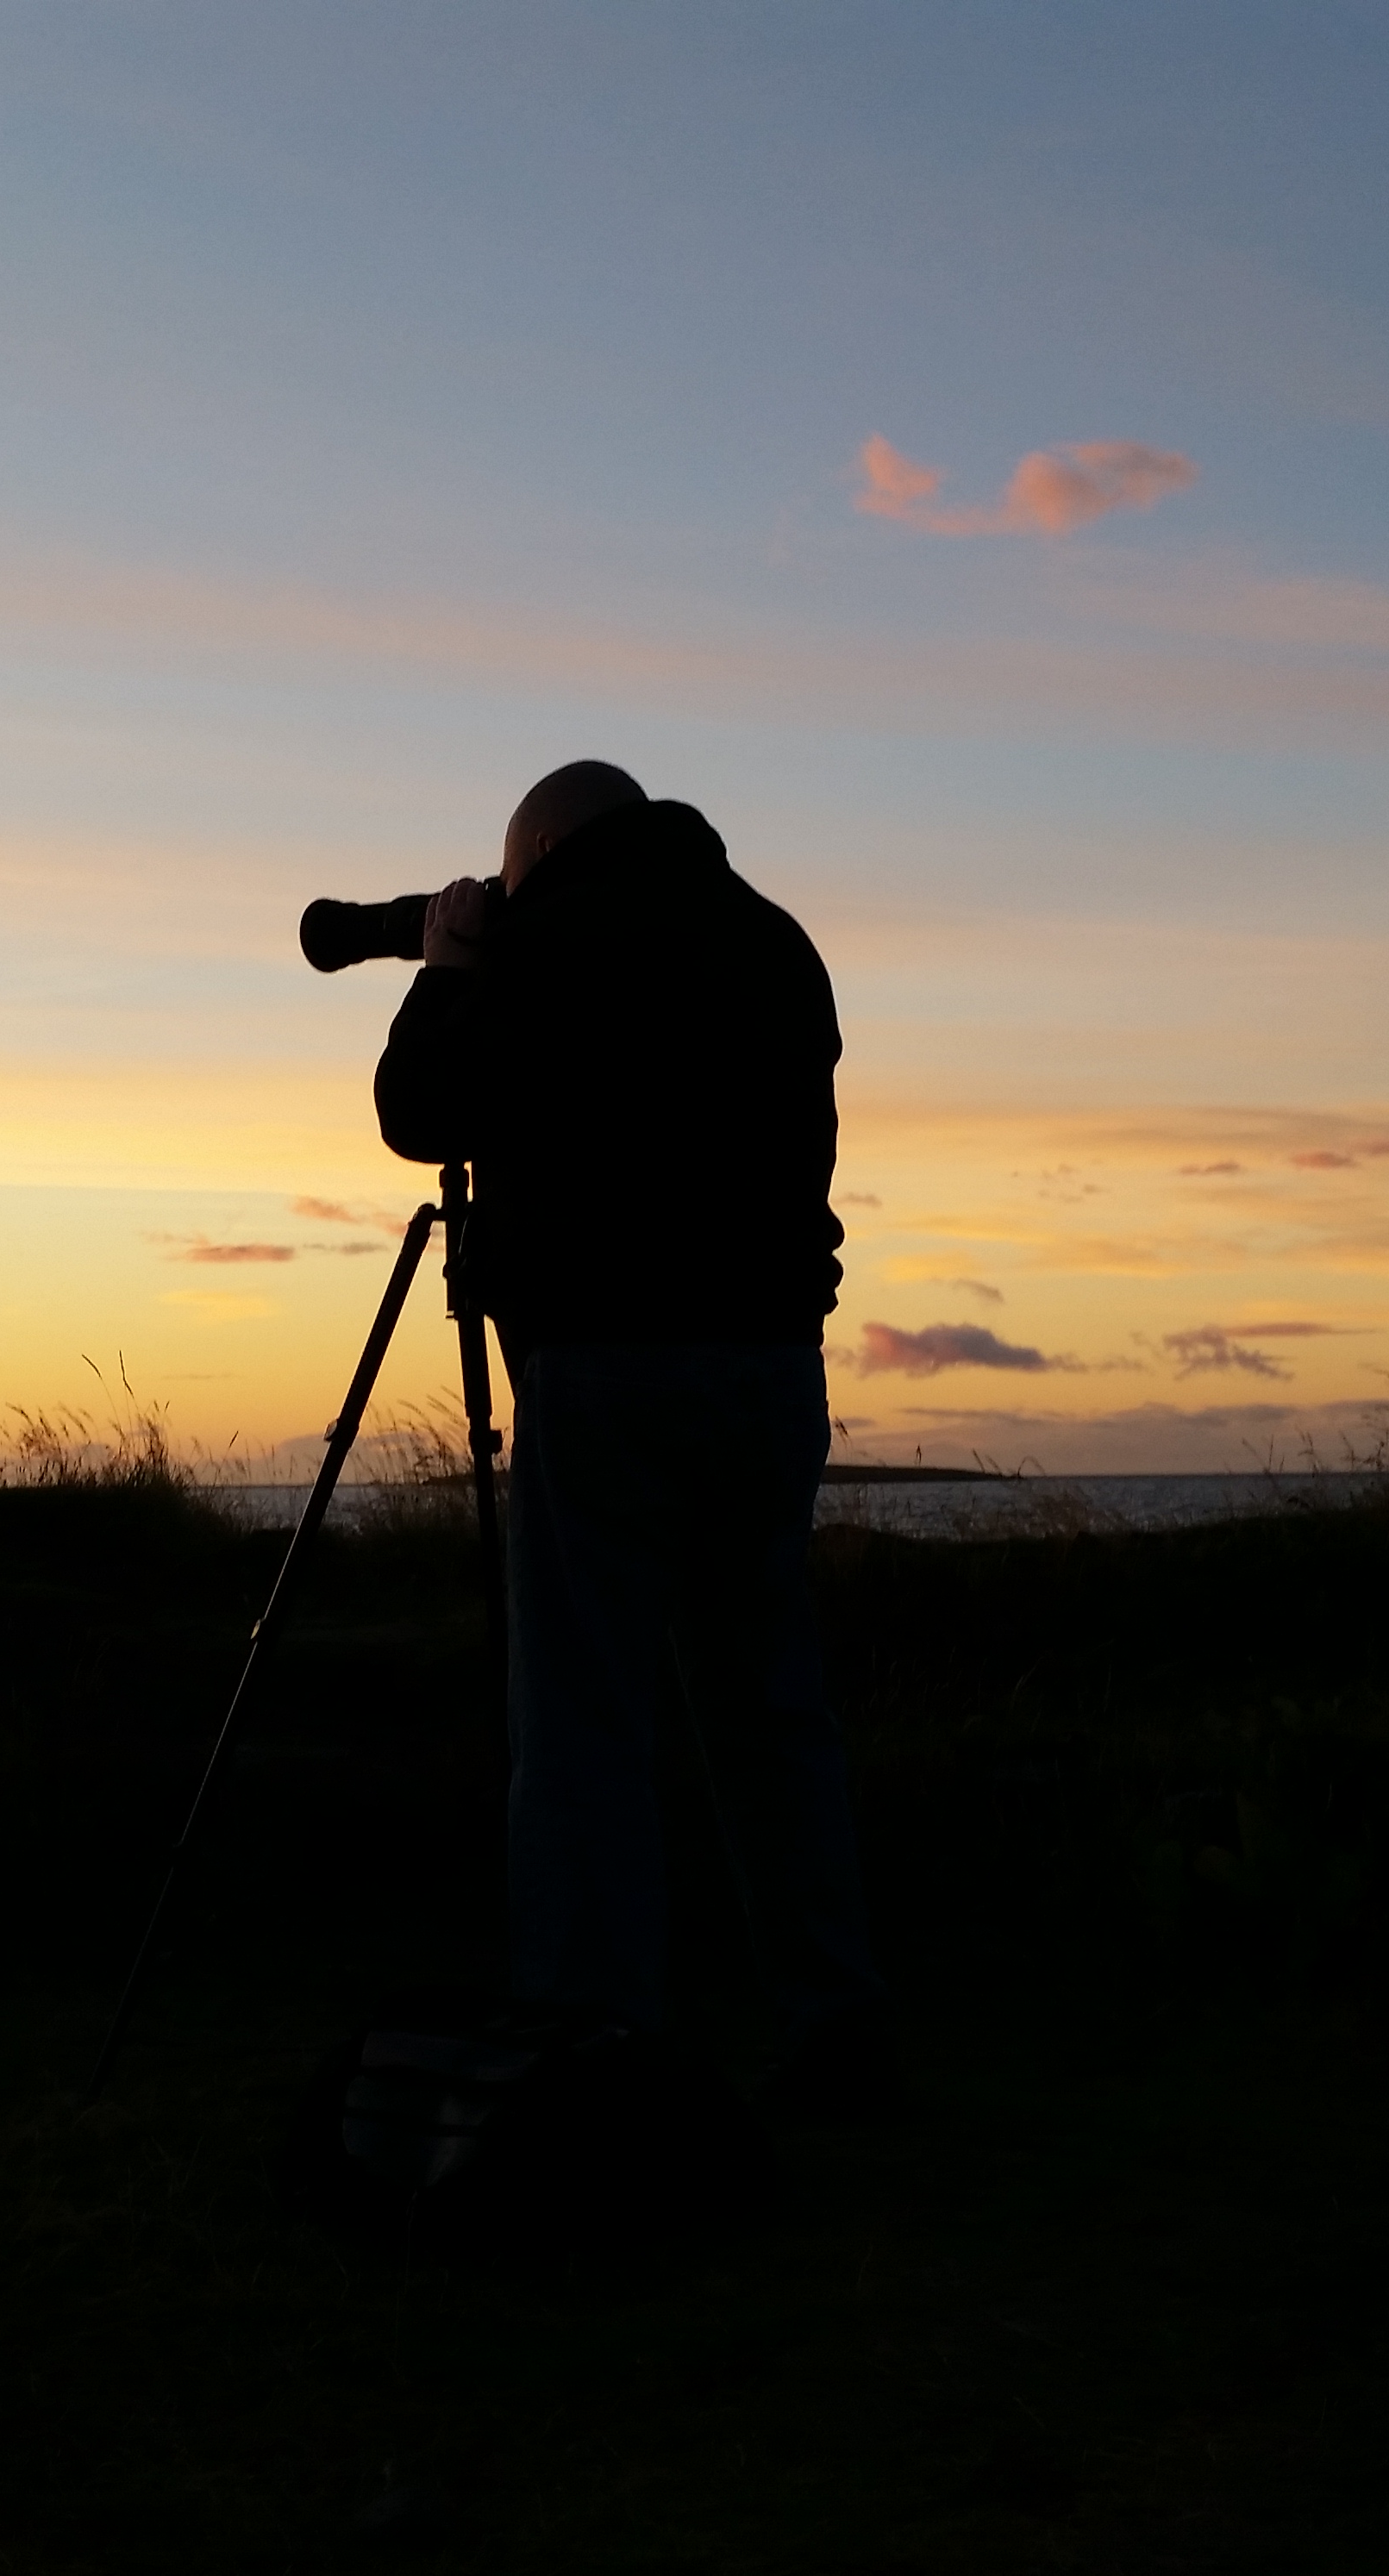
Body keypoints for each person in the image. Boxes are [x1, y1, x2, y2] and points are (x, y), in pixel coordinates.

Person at [373, 760, 890, 2110]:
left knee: (585, 1725)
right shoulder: (779, 943)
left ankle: (590, 2054)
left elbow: (417, 1113)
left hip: (602, 1372)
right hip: (772, 1372)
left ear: (538, 856)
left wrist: (449, 963)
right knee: (775, 1715)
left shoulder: (538, 947)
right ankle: (834, 2030)